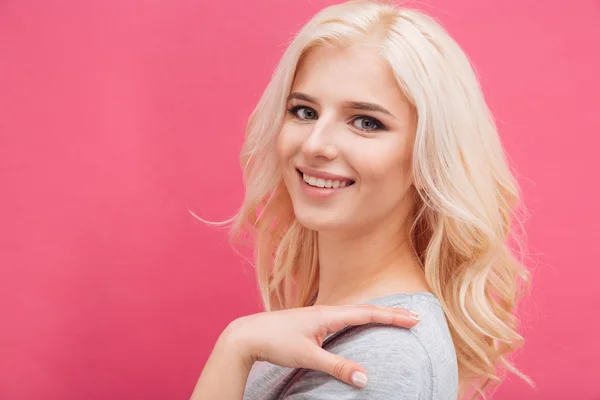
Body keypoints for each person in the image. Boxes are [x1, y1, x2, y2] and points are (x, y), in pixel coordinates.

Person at [190, 0, 532, 398]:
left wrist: (234, 348)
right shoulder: (340, 329)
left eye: (366, 122)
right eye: (304, 111)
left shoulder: (380, 357)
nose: (316, 144)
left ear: (428, 157)